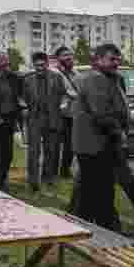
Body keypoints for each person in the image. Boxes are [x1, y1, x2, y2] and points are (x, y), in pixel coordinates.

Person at [69, 43, 131, 232]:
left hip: (93, 143)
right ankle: (109, 230)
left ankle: (79, 226)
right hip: (94, 143)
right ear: (98, 60)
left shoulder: (105, 78)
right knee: (102, 190)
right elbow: (101, 114)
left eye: (118, 60)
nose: (116, 63)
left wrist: (129, 115)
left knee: (89, 190)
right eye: (112, 59)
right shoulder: (96, 79)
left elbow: (108, 109)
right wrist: (119, 132)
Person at [22, 51, 62, 193]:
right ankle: (33, 182)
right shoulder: (27, 80)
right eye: (37, 65)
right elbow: (22, 98)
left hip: (52, 118)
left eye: (42, 65)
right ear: (34, 65)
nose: (39, 68)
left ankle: (48, 178)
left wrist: (62, 107)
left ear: (46, 64)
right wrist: (25, 108)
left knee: (50, 151)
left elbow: (64, 95)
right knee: (34, 151)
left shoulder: (57, 78)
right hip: (35, 119)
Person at [0, 52, 23, 192]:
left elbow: (19, 97)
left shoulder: (14, 78)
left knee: (8, 153)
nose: (4, 66)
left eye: (6, 63)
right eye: (1, 63)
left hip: (10, 119)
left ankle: (2, 179)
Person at [52, 46, 78, 179]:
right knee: (54, 145)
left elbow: (80, 90)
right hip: (56, 114)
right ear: (58, 58)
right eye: (65, 55)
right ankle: (52, 172)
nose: (69, 57)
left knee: (71, 145)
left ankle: (64, 171)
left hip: (71, 114)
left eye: (70, 55)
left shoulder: (75, 73)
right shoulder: (54, 73)